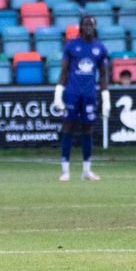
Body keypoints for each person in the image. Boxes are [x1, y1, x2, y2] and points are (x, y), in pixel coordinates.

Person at [54, 15, 110, 181]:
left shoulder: (100, 48)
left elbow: (103, 75)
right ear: (80, 27)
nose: (88, 27)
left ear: (95, 27)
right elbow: (64, 72)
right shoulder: (71, 46)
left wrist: (106, 98)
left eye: (91, 25)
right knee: (68, 128)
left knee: (88, 130)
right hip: (72, 93)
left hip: (89, 95)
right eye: (85, 24)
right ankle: (65, 170)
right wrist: (58, 94)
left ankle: (87, 170)